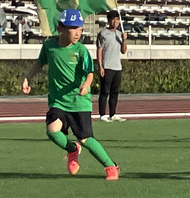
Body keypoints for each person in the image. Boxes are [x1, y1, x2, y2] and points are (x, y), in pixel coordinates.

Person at [21, 9, 120, 180]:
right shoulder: (49, 46)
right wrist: (27, 78)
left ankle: (111, 166)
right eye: (72, 28)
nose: (77, 33)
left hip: (79, 101)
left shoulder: (81, 50)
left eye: (80, 28)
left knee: (85, 139)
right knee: (52, 131)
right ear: (60, 28)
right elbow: (39, 63)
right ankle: (72, 149)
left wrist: (86, 85)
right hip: (58, 100)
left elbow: (90, 73)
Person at [96, 9, 128, 122]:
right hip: (107, 66)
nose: (115, 22)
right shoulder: (103, 34)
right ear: (109, 20)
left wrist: (124, 40)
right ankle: (102, 114)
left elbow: (123, 51)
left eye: (117, 19)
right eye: (113, 19)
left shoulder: (119, 34)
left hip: (117, 67)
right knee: (104, 91)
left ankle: (112, 113)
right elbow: (99, 50)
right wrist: (101, 66)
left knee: (115, 92)